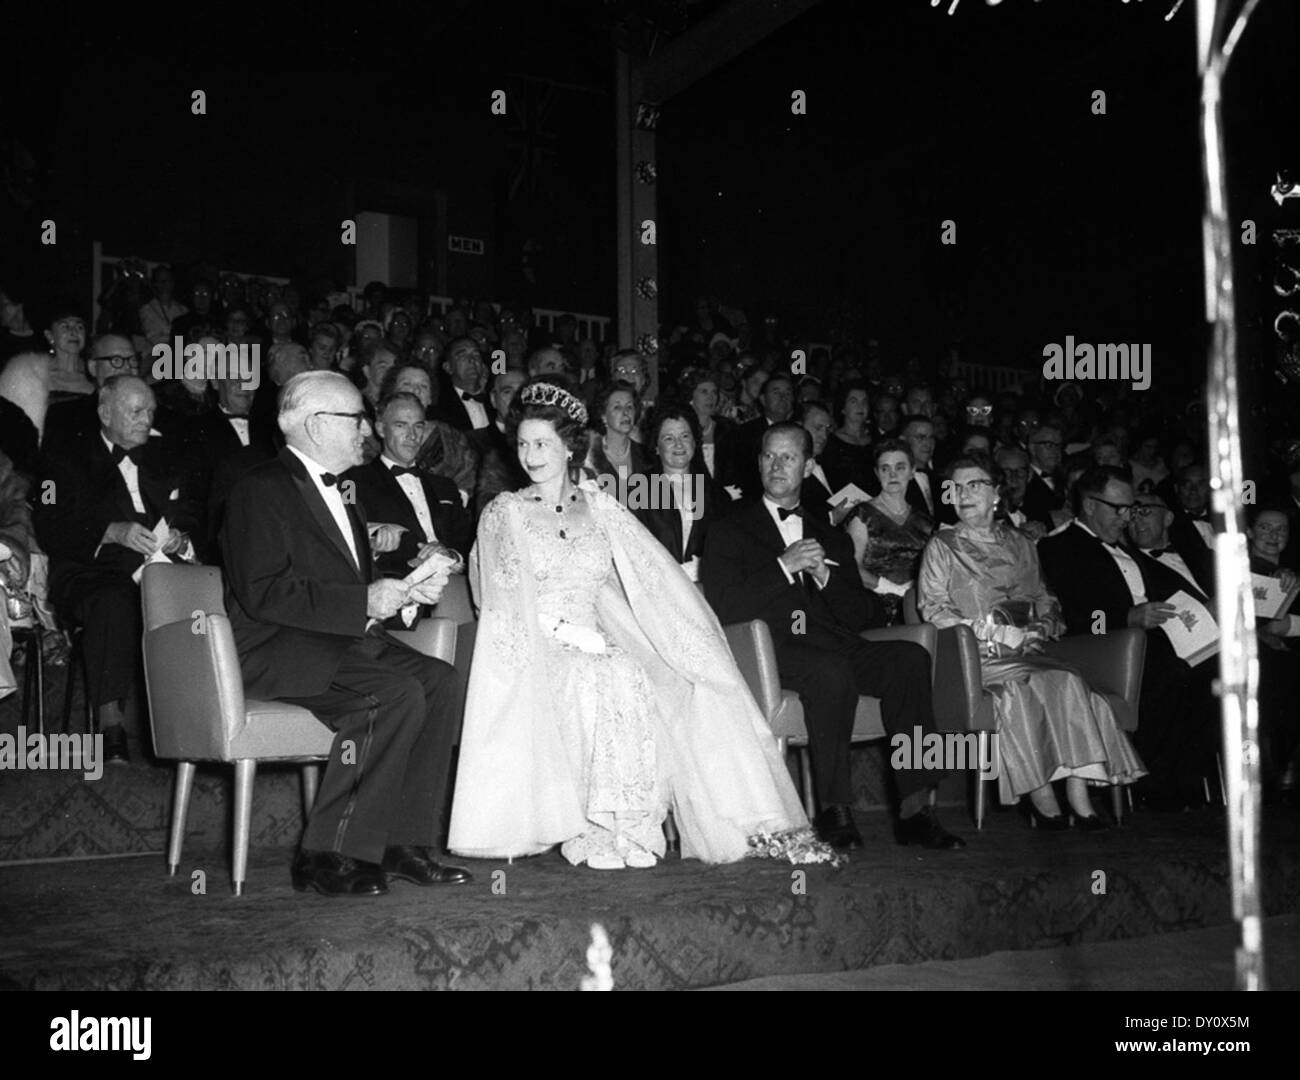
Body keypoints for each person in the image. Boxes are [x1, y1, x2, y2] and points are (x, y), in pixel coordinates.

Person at [448, 380, 830, 868]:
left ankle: (630, 825)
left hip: (597, 636)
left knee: (649, 673)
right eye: (523, 443)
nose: (530, 454)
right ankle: (591, 828)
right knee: (600, 674)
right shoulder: (507, 512)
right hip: (533, 645)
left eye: (542, 442)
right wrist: (565, 634)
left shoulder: (600, 506)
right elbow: (499, 601)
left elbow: (652, 574)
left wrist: (687, 640)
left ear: (570, 446)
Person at [221, 371, 470, 897]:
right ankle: (328, 853)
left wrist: (400, 594)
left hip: (342, 643)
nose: (367, 431)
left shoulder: (345, 491)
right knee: (393, 694)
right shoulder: (259, 489)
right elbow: (262, 592)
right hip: (278, 648)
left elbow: (349, 587)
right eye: (357, 418)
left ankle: (403, 842)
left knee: (441, 681)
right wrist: (363, 601)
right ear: (315, 424)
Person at [702, 422, 964, 851]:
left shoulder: (830, 534)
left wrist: (826, 576)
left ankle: (916, 810)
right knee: (831, 671)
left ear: (807, 467)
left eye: (788, 457)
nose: (776, 465)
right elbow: (724, 607)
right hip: (773, 648)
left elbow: (861, 615)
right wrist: (783, 567)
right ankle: (834, 809)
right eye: (769, 456)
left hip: (835, 642)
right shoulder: (729, 528)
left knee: (910, 658)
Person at [918, 453, 1144, 827]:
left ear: (996, 494)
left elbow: (1045, 596)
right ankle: (1040, 791)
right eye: (955, 486)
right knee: (1026, 684)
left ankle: (1077, 790)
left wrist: (1042, 624)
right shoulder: (943, 545)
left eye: (974, 484)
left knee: (1069, 680)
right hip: (977, 658)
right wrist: (989, 631)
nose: (963, 493)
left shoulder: (1021, 542)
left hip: (1030, 648)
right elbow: (933, 608)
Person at [35, 376, 200, 763]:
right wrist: (110, 531)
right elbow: (49, 523)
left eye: (151, 411)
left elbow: (195, 511)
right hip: (92, 571)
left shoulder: (169, 454)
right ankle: (111, 726)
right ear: (104, 412)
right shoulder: (61, 458)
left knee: (206, 602)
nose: (147, 420)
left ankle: (195, 726)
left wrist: (181, 537)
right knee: (113, 602)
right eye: (136, 411)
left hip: (162, 571)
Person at [1038, 466, 1218, 810]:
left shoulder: (1125, 548)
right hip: (1100, 648)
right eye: (1118, 508)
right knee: (1173, 671)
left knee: (1213, 670)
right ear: (1090, 505)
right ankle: (1156, 782)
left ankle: (1189, 779)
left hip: (1152, 641)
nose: (1127, 517)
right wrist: (1127, 618)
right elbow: (1077, 619)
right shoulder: (1060, 547)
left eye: (1131, 508)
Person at [633, 403, 727, 583]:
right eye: (668, 438)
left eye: (685, 436)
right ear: (656, 446)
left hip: (706, 591)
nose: (679, 444)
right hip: (658, 589)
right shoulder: (639, 490)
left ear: (694, 441)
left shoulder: (715, 493)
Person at [844, 439, 934, 625]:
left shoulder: (924, 520)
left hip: (918, 605)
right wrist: (894, 590)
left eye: (900, 467)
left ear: (912, 471)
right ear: (877, 474)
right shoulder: (863, 514)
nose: (892, 474)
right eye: (885, 468)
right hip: (876, 606)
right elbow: (851, 568)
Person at [821, 380, 873, 496]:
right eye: (854, 401)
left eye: (864, 402)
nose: (860, 406)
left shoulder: (875, 441)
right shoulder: (831, 442)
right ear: (843, 407)